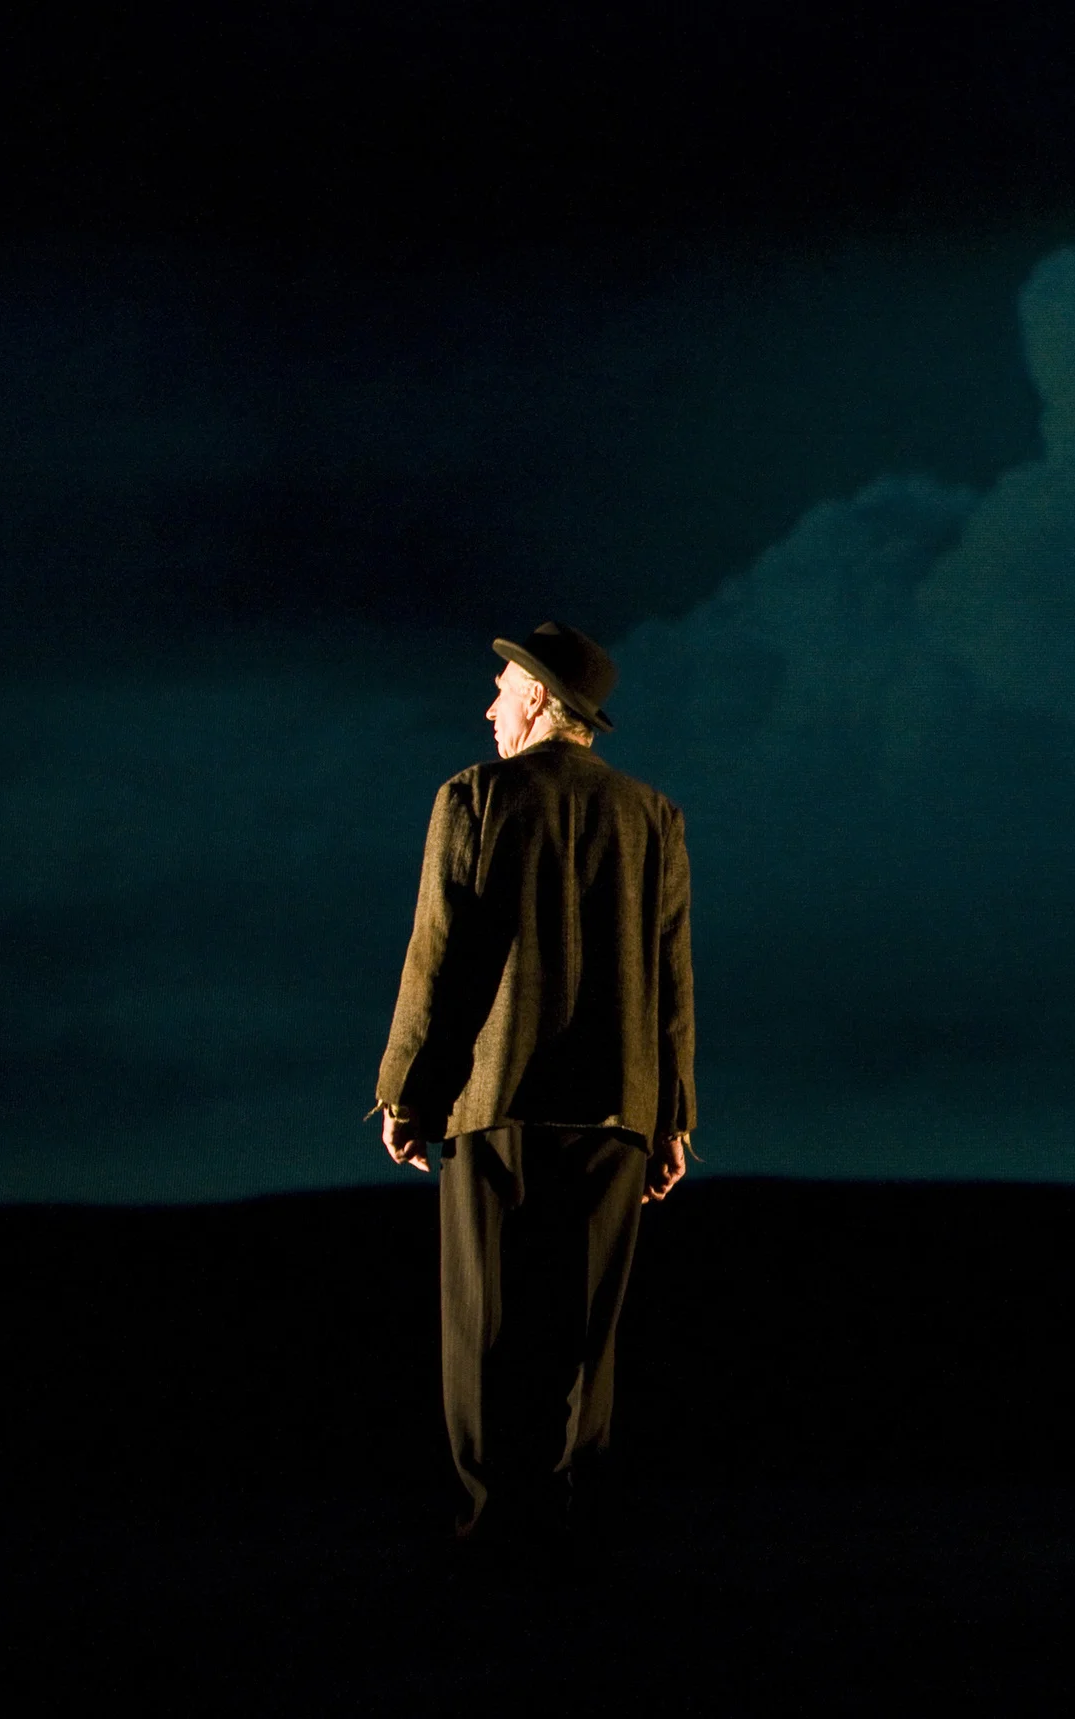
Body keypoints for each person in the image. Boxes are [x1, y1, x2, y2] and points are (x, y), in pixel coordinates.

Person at [373, 620, 696, 1553]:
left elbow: (440, 957)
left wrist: (407, 1091)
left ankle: (490, 1538)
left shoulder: (475, 796)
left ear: (540, 699)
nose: (489, 707)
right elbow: (671, 977)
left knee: (484, 1337)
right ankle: (571, 1536)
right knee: (583, 1341)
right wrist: (673, 1118)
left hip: (496, 1105)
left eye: (502, 688)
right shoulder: (654, 816)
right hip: (618, 1112)